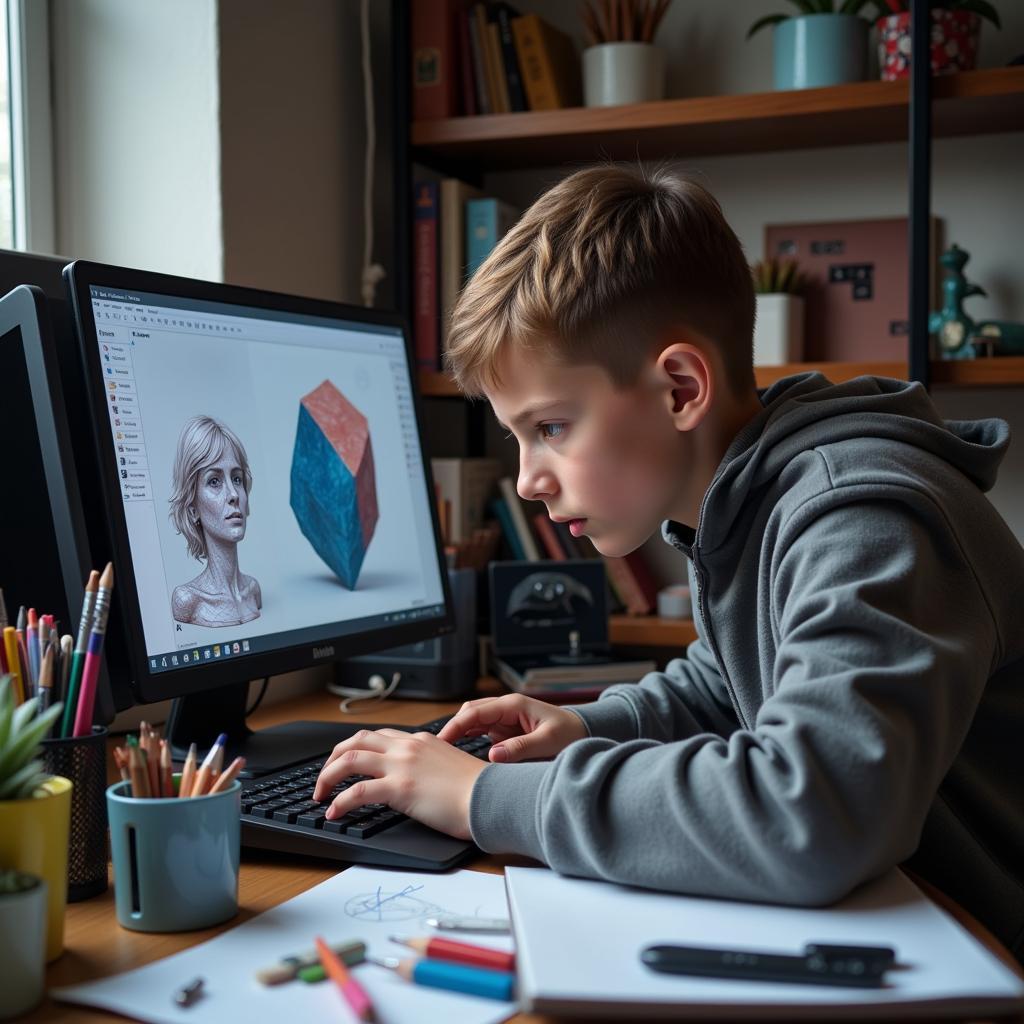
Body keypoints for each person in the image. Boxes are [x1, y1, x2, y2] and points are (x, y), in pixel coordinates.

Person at [313, 164, 1024, 962]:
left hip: (988, 949)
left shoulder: (862, 517)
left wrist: (484, 795)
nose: (524, 479)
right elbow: (732, 684)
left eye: (550, 426)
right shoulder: (745, 504)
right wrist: (588, 726)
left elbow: (814, 813)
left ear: (681, 388)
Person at [169, 415, 262, 627]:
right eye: (214, 481)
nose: (233, 494)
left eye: (237, 479)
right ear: (193, 509)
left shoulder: (253, 590)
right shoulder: (187, 600)